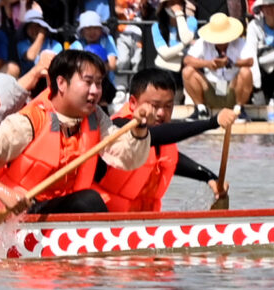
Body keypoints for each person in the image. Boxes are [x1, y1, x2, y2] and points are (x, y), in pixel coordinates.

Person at [0, 48, 114, 215]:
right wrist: (1, 191)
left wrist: (135, 132)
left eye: (98, 83)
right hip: (18, 212)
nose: (95, 91)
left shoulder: (95, 116)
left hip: (59, 206)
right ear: (61, 83)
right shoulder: (27, 122)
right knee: (89, 201)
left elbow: (123, 151)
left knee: (94, 199)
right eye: (88, 82)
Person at [93, 70, 233, 212]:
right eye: (154, 105)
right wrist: (212, 122)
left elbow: (172, 160)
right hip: (105, 215)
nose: (161, 113)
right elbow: (153, 136)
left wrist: (210, 178)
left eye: (168, 106)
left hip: (144, 218)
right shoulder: (118, 126)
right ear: (133, 103)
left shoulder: (162, 139)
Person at [182, 10, 252, 113]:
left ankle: (239, 109)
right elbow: (187, 60)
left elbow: (250, 61)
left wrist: (231, 62)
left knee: (246, 72)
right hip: (211, 86)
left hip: (232, 87)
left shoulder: (240, 42)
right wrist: (208, 64)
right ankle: (201, 110)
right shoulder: (203, 42)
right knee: (187, 71)